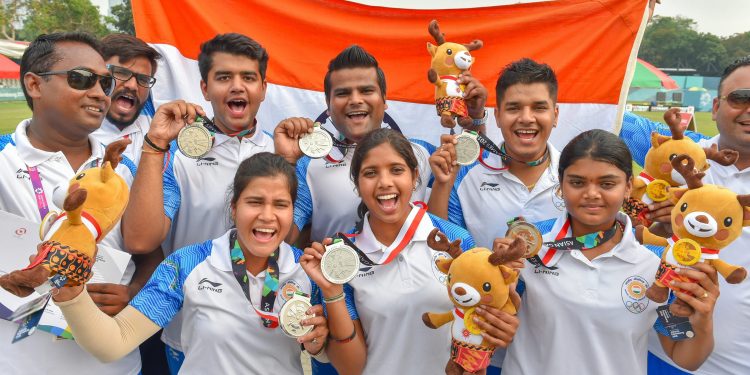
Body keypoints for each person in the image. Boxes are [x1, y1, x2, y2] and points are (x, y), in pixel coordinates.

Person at [52, 152, 339, 374]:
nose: (267, 215)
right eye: (255, 202)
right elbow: (114, 342)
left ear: (292, 211)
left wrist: (318, 346)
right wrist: (71, 295)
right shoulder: (188, 264)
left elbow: (327, 354)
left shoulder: (307, 271)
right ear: (234, 207)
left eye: (280, 204)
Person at [300, 129, 519, 374]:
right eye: (370, 173)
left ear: (415, 176)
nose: (385, 182)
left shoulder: (456, 239)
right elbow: (350, 368)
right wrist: (332, 292)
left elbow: (488, 318)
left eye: (396, 170)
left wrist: (502, 326)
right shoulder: (342, 259)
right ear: (358, 185)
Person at [502, 129, 718, 374]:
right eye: (577, 182)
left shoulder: (657, 262)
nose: (592, 194)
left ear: (628, 187)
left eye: (607, 183)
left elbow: (685, 357)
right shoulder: (530, 246)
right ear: (560, 185)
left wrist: (703, 321)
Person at [120, 33, 275, 373]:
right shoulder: (176, 154)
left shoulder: (283, 155)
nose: (237, 87)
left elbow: (292, 244)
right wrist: (157, 143)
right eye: (224, 77)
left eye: (248, 77)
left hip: (269, 337)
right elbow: (140, 240)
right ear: (204, 89)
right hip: (190, 336)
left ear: (263, 88)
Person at [0, 32, 140, 375]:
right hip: (20, 365)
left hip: (117, 366)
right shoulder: (4, 162)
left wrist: (134, 292)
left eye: (105, 83)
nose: (98, 93)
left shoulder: (124, 169)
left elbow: (150, 250)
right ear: (34, 84)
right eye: (81, 79)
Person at [426, 58, 564, 372]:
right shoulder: (468, 173)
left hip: (554, 349)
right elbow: (442, 246)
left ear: (555, 115)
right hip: (482, 348)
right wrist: (443, 185)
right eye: (514, 108)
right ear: (498, 115)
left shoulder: (577, 178)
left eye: (539, 107)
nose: (526, 119)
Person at [273, 44, 488, 244]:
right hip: (340, 284)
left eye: (366, 91)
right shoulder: (308, 165)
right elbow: (283, 239)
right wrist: (285, 162)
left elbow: (474, 175)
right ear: (328, 107)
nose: (355, 100)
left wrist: (476, 118)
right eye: (342, 93)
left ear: (384, 101)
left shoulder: (420, 152)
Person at [621, 56, 750, 375]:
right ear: (716, 106)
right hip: (662, 358)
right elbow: (596, 106)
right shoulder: (679, 163)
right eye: (741, 98)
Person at [92, 33, 162, 165]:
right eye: (121, 73)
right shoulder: (67, 134)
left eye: (143, 79)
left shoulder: (160, 131)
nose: (133, 86)